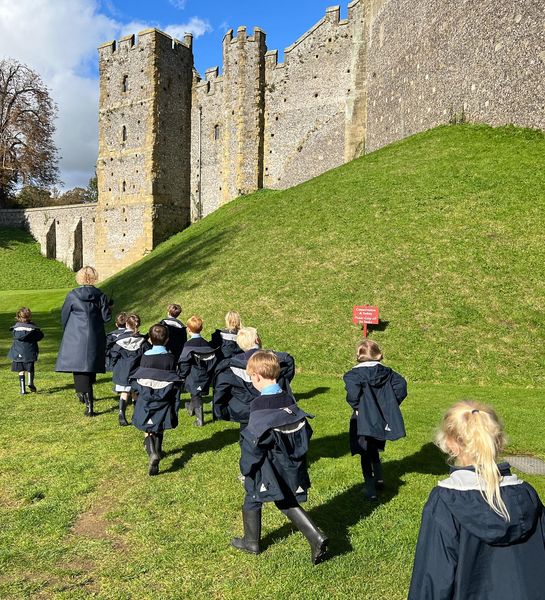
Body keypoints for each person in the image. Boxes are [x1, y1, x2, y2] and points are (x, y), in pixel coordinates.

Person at [408, 401, 545, 600]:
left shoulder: (445, 502)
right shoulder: (526, 495)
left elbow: (433, 577)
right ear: (499, 441)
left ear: (449, 444)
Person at [231, 351, 328, 564]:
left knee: (252, 496)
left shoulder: (259, 406)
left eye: (250, 378)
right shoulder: (288, 399)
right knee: (285, 499)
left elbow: (253, 445)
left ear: (256, 377)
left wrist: (246, 468)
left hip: (267, 465)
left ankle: (251, 542)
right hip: (288, 461)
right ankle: (316, 536)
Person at [343, 339, 407, 500]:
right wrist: (389, 404)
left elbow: (352, 394)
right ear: (378, 355)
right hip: (380, 417)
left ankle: (370, 489)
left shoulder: (353, 375)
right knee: (374, 448)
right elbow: (401, 386)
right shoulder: (387, 372)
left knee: (365, 451)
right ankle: (379, 479)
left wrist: (357, 407)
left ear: (359, 355)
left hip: (362, 418)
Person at [213, 326, 296, 435]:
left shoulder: (229, 366)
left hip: (245, 410)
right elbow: (288, 370)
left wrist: (219, 410)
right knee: (274, 437)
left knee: (248, 440)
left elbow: (221, 389)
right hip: (272, 405)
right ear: (257, 340)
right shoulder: (276, 360)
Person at [55, 266, 112, 416]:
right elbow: (106, 318)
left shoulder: (72, 295)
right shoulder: (101, 295)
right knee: (90, 365)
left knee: (78, 365)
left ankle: (86, 400)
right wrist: (108, 307)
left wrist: (67, 329)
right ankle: (86, 398)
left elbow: (65, 315)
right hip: (94, 335)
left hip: (76, 334)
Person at [131, 324, 180, 476]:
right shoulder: (171, 358)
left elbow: (143, 377)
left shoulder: (145, 357)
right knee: (159, 423)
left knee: (147, 424)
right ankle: (157, 451)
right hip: (164, 397)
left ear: (150, 340)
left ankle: (153, 452)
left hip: (147, 395)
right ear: (167, 340)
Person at [110, 314, 150, 426]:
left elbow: (113, 354)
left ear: (126, 324)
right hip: (137, 371)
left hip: (123, 370)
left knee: (124, 392)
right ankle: (135, 415)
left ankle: (121, 413)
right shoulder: (143, 341)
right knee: (135, 393)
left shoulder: (119, 341)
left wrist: (115, 365)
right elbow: (147, 355)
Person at [177, 315, 217, 426]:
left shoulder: (188, 346)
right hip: (206, 375)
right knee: (195, 394)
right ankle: (190, 408)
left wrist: (181, 375)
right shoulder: (207, 344)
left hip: (193, 376)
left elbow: (184, 363)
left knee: (196, 395)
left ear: (188, 330)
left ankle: (200, 420)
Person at [8, 307, 44, 394]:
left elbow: (15, 336)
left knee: (21, 370)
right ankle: (30, 383)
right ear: (29, 316)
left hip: (18, 352)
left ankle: (23, 390)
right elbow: (40, 336)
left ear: (18, 316)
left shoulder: (15, 329)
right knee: (30, 369)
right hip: (30, 352)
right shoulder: (33, 329)